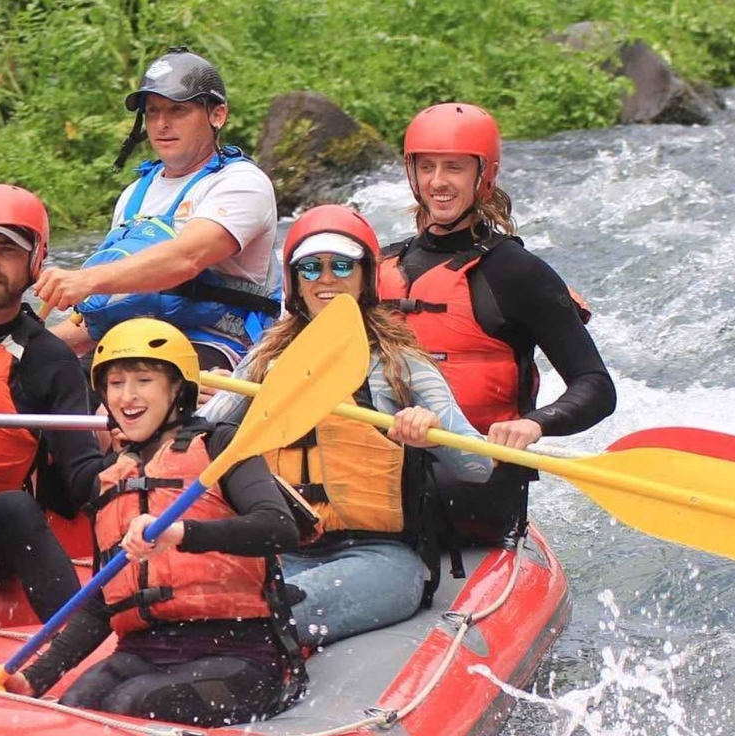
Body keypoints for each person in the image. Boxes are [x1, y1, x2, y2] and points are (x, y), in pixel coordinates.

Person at [0, 320, 306, 728]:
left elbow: (277, 527)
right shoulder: (109, 479)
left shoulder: (222, 447)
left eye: (143, 380)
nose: (128, 396)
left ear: (177, 389)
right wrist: (35, 677)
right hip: (142, 652)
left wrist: (182, 534)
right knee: (75, 708)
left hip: (240, 655)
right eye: (115, 383)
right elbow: (104, 602)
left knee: (131, 704)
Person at [210, 205, 492, 644]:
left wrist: (431, 428)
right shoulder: (265, 362)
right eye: (311, 268)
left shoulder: (402, 365)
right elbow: (201, 435)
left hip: (378, 558)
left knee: (269, 612)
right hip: (284, 552)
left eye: (342, 266)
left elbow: (479, 466)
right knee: (202, 603)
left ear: (365, 279)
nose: (325, 279)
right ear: (294, 282)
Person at [378, 102, 616, 541]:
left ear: (483, 175)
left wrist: (535, 423)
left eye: (454, 168)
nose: (437, 182)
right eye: (426, 167)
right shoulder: (380, 264)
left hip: (477, 479)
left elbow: (596, 386)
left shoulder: (515, 271)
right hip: (383, 461)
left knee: (398, 496)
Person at [32, 47, 281, 379]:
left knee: (128, 390)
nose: (162, 124)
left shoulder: (242, 183)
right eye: (153, 112)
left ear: (217, 115)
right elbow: (105, 313)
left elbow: (186, 258)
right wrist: (26, 349)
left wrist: (85, 280)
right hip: (128, 345)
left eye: (178, 110)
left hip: (215, 349)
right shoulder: (133, 195)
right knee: (34, 377)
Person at [0, 185, 107, 620]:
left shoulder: (49, 359)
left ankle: (75, 634)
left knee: (15, 507)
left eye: (8, 251)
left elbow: (80, 477)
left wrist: (138, 446)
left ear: (35, 261)